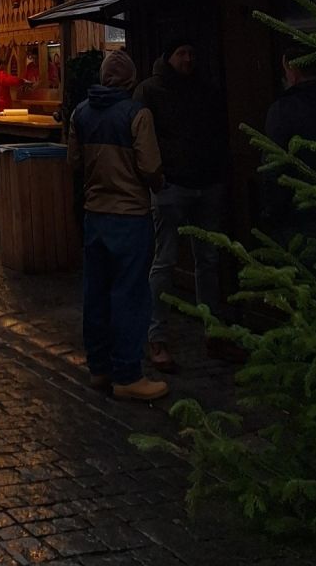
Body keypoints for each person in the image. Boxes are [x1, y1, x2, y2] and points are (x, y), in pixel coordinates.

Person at [69, 49, 168, 402]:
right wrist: (157, 184)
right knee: (129, 293)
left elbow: (74, 161)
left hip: (95, 213)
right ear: (130, 79)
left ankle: (100, 368)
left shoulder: (80, 113)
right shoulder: (137, 114)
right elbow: (151, 166)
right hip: (129, 215)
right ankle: (127, 373)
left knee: (96, 293)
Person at [136, 37, 234, 369]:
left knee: (207, 260)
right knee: (164, 261)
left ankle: (214, 332)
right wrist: (156, 176)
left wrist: (217, 172)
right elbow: (141, 136)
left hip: (205, 183)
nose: (188, 58)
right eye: (182, 52)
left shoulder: (205, 90)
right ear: (170, 55)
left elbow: (217, 132)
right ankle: (156, 336)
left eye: (192, 52)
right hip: (172, 185)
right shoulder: (151, 91)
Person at [263, 50, 316, 240]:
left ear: (290, 68)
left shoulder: (284, 110)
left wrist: (272, 214)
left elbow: (275, 168)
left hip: (300, 219)